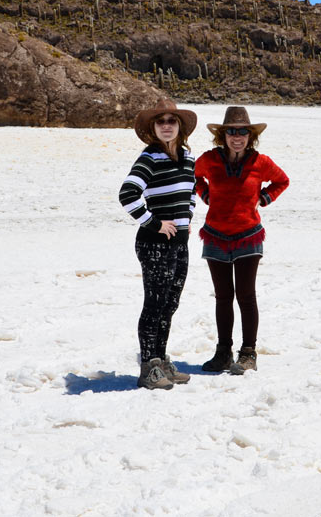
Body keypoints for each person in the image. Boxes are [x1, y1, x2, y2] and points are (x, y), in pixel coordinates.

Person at [194, 106, 289, 374]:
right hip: (215, 235)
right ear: (222, 135)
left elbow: (282, 181)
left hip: (248, 236)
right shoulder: (209, 159)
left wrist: (265, 198)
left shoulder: (260, 162)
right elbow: (194, 176)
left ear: (250, 136)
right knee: (223, 297)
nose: (237, 137)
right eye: (232, 132)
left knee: (246, 296)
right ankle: (223, 352)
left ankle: (248, 353)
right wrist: (205, 195)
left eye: (243, 132)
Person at [119, 98, 198, 390]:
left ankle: (162, 360)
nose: (167, 126)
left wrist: (186, 218)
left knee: (170, 302)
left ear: (180, 127)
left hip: (180, 241)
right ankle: (149, 366)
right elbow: (128, 194)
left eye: (172, 121)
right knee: (154, 304)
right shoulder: (149, 157)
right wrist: (154, 222)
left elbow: (190, 193)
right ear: (153, 127)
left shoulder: (188, 158)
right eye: (161, 121)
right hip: (154, 242)